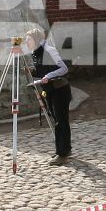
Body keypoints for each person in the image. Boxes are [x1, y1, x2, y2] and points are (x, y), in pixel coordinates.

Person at [22, 27, 71, 164]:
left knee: (61, 121)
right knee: (57, 120)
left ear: (36, 40)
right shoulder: (35, 53)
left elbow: (63, 68)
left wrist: (48, 76)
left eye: (29, 40)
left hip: (60, 90)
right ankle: (64, 149)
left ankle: (62, 154)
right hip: (50, 90)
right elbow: (42, 70)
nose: (27, 42)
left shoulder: (49, 50)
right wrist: (31, 70)